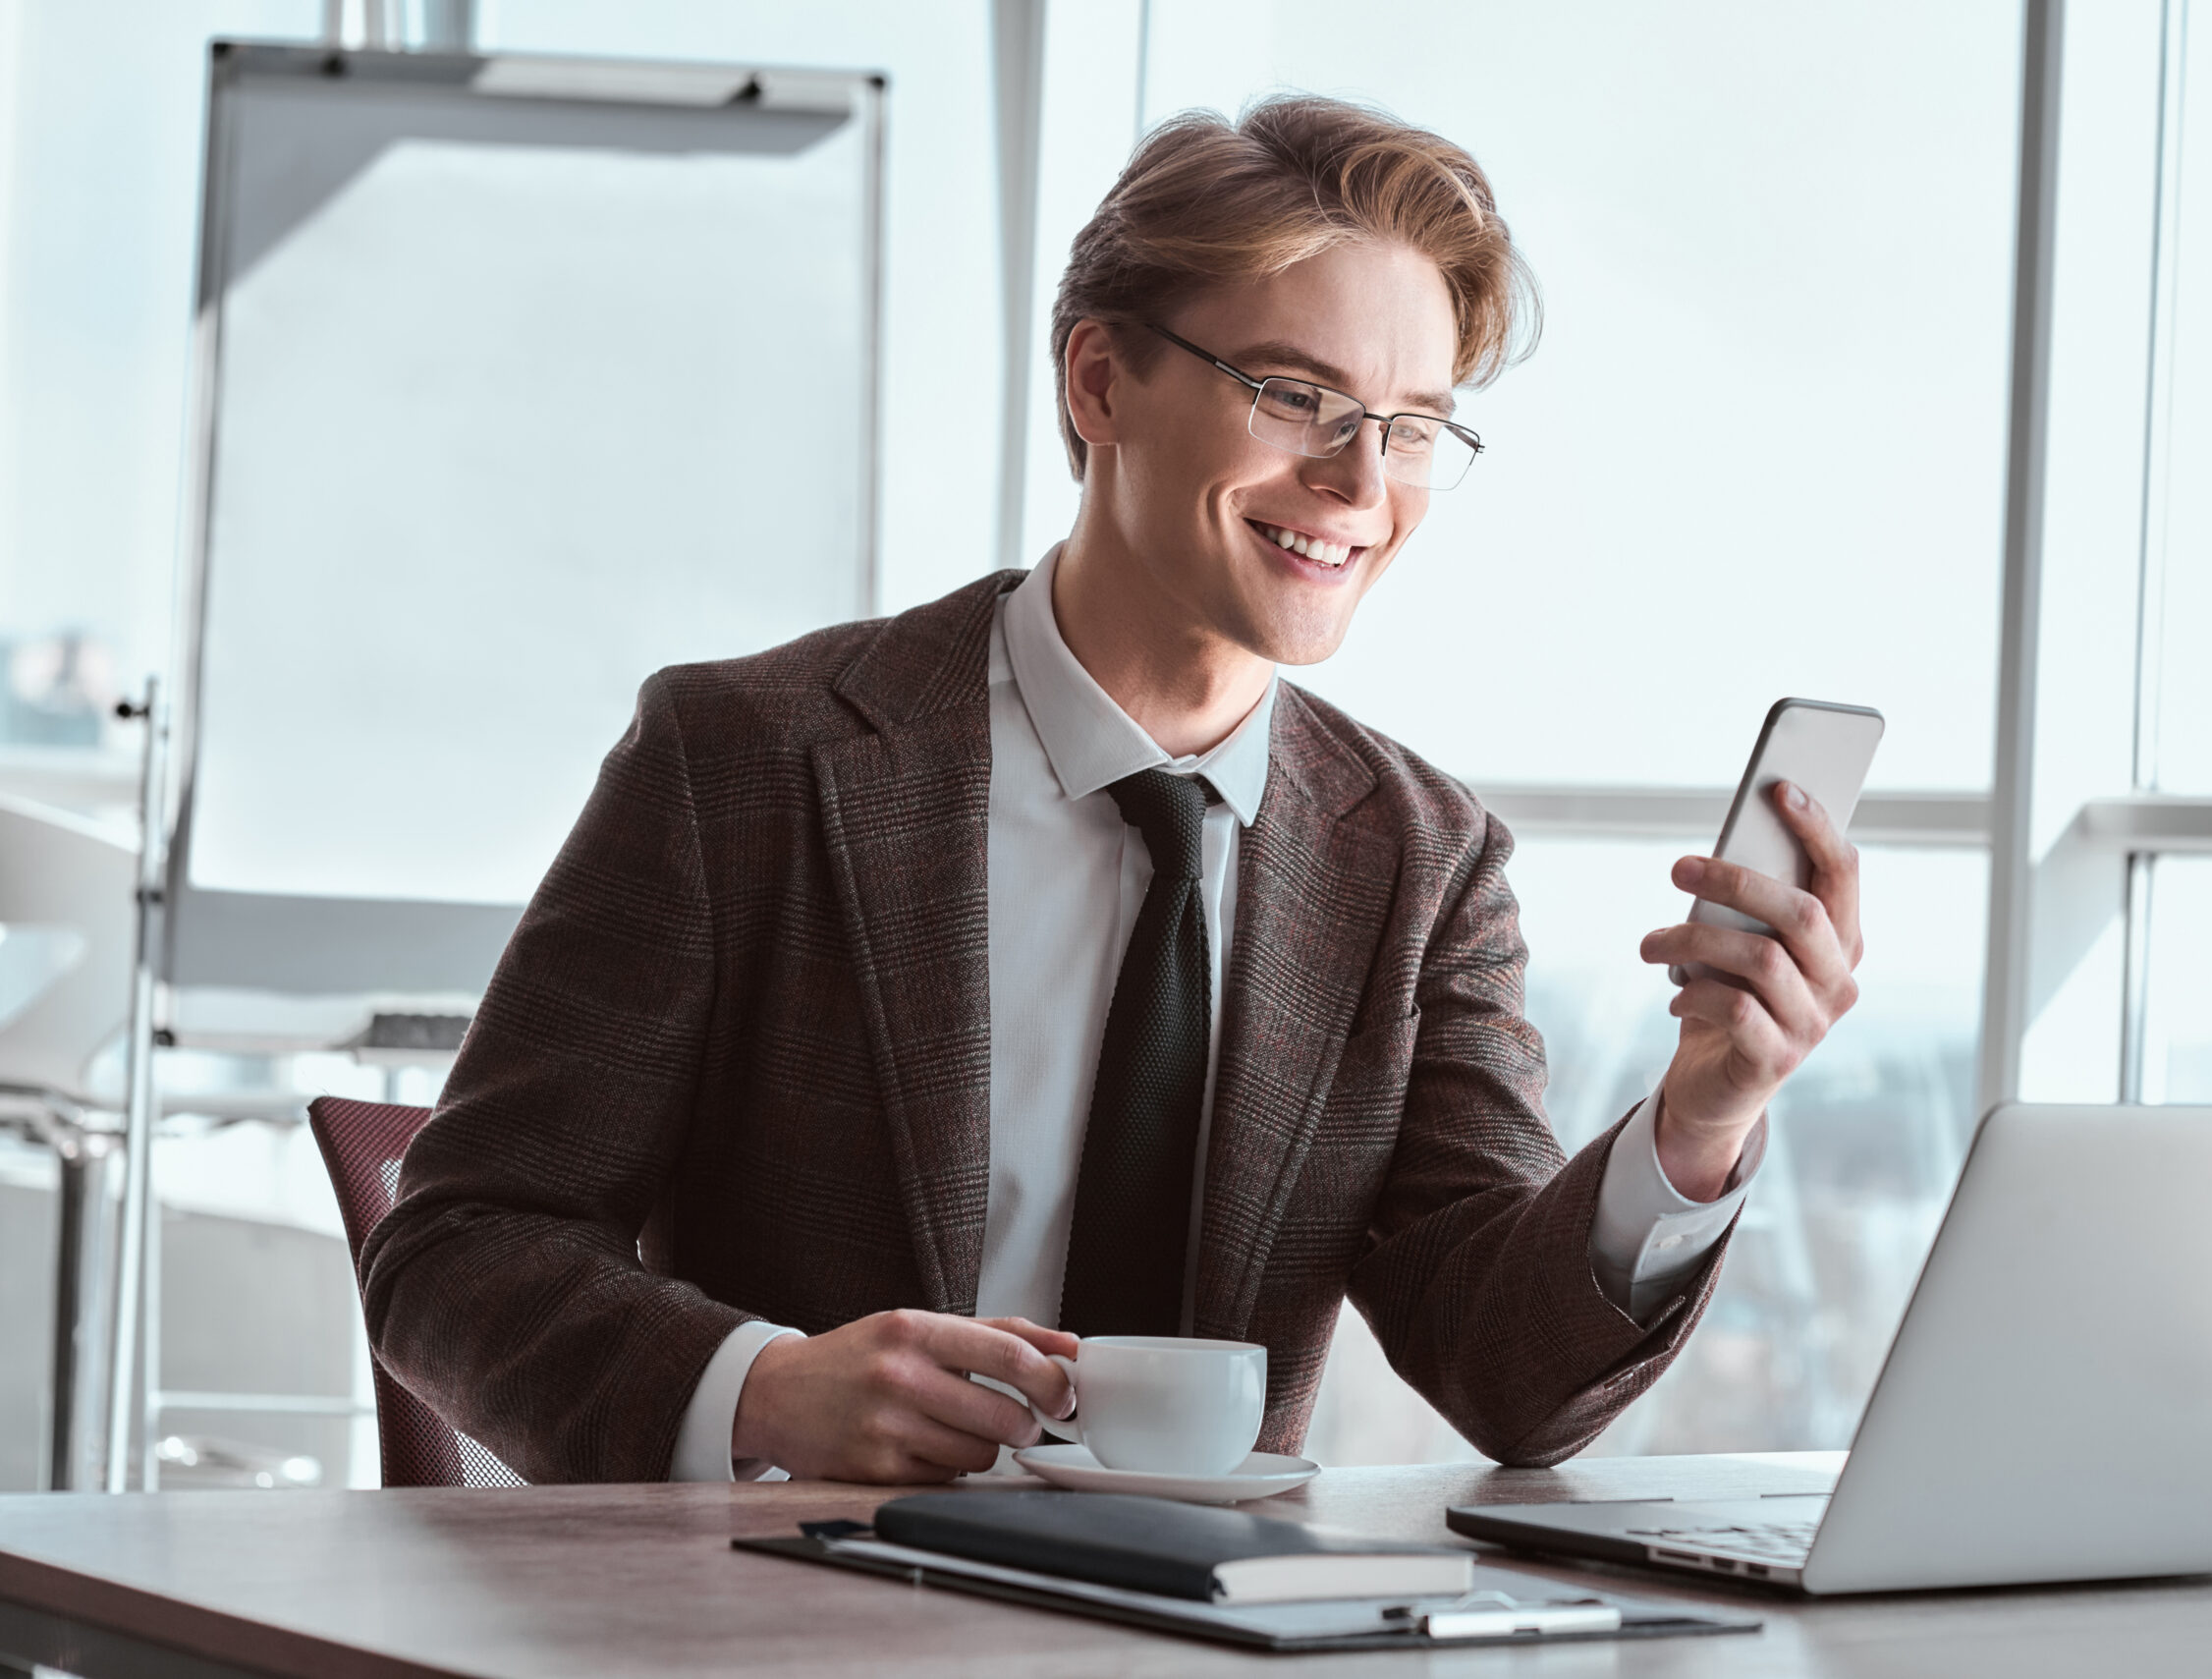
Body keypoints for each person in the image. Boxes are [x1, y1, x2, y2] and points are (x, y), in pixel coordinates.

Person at [361, 95, 1862, 1485]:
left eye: (1411, 426)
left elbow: (1505, 1370)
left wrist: (1701, 1120)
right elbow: (455, 1248)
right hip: (799, 1625)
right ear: (1101, 380)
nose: (1361, 484)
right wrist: (763, 1386)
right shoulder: (743, 761)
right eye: (1298, 394)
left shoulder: (1421, 862)